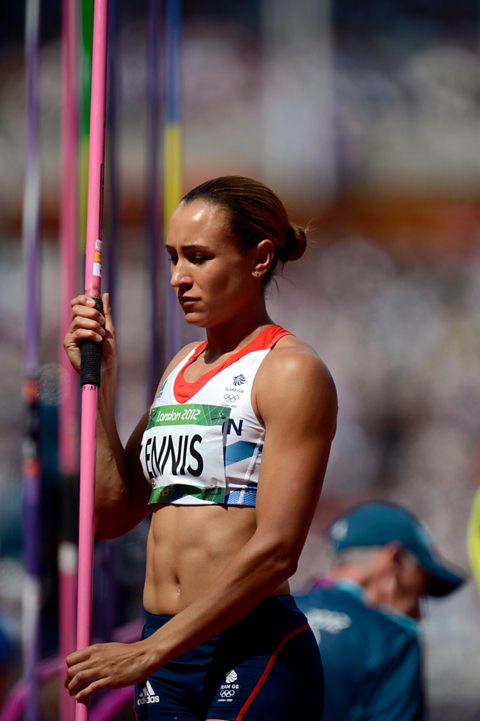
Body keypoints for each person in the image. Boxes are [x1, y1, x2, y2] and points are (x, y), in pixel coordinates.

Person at [63, 175, 338, 720]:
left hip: (249, 646)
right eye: (172, 257)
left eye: (198, 257)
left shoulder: (290, 371)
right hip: (164, 649)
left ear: (259, 259)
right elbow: (113, 514)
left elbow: (279, 550)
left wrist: (148, 653)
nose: (177, 278)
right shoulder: (180, 367)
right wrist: (102, 384)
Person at [294, 500, 466, 721]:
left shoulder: (267, 614)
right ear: (394, 559)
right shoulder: (393, 641)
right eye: (421, 591)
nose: (421, 614)